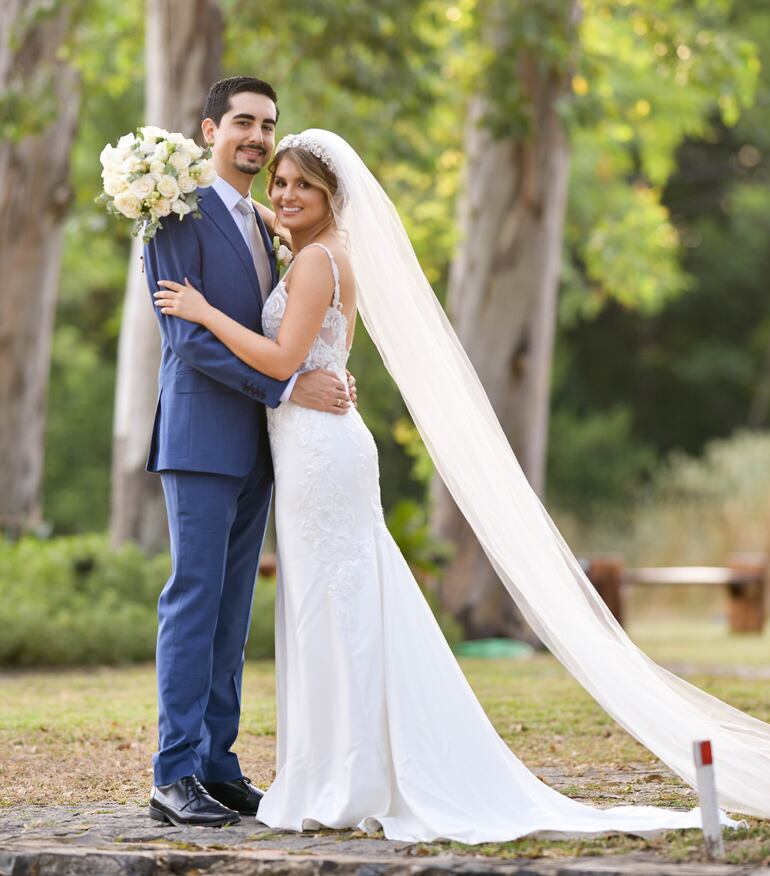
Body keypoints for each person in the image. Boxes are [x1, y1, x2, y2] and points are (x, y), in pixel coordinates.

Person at [153, 130, 756, 841]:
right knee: (336, 607)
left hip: (319, 453)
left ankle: (349, 774)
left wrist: (204, 312)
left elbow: (285, 360)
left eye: (302, 185)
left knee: (332, 609)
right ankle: (341, 767)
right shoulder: (315, 250)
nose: (285, 195)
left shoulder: (317, 259)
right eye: (280, 182)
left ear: (332, 194)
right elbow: (287, 298)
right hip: (312, 447)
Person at [143, 81, 356, 828]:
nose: (257, 136)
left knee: (233, 612)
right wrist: (289, 387)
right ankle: (173, 774)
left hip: (265, 449)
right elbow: (187, 338)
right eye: (243, 121)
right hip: (201, 439)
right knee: (195, 600)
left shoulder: (270, 224)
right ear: (210, 130)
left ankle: (217, 765)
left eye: (268, 124)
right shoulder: (173, 211)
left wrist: (314, 375)